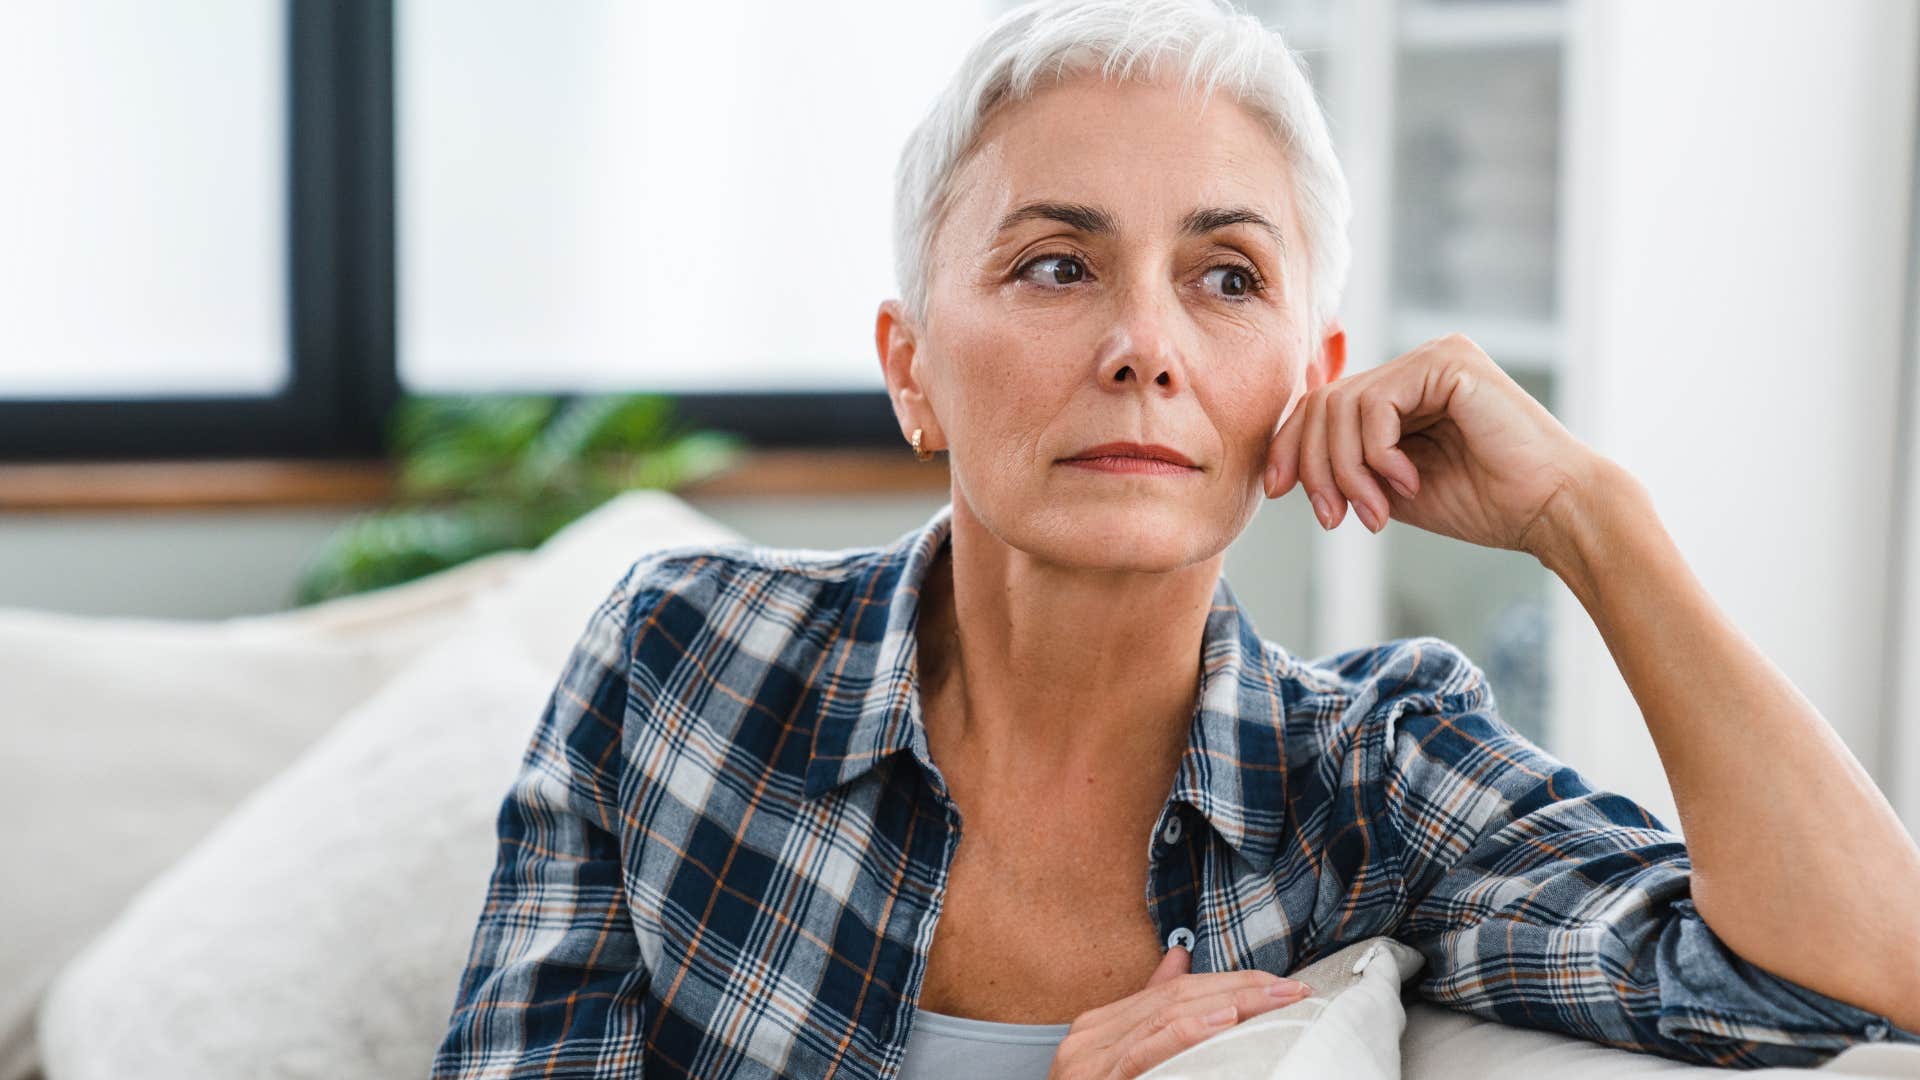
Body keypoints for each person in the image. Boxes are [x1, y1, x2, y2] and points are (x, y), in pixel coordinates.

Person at [431, 0, 1920, 1076]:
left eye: (1224, 280)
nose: (1146, 344)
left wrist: (1596, 520)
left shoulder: (1368, 777)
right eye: (1059, 264)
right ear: (911, 365)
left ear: (1309, 374)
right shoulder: (682, 661)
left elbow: (1843, 977)